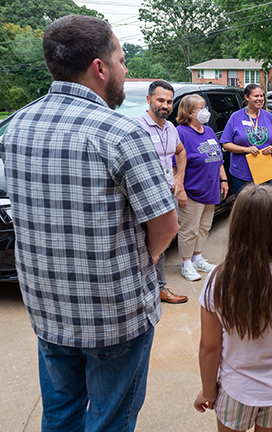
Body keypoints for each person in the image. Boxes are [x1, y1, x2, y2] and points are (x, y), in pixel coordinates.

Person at [0, 15, 178, 431]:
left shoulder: (16, 126)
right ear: (100, 68)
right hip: (115, 314)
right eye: (120, 58)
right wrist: (144, 262)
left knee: (60, 413)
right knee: (110, 419)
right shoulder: (120, 133)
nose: (126, 68)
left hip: (48, 308)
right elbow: (166, 226)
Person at [194, 185, 272, 432]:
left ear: (236, 226)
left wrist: (208, 390)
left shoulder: (218, 279)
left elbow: (209, 346)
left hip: (235, 389)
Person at [135, 80, 189, 303]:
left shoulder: (170, 128)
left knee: (164, 242)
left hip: (168, 194)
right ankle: (147, 291)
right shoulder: (137, 127)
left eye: (169, 101)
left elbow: (181, 151)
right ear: (149, 100)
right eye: (160, 100)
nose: (165, 105)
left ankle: (158, 289)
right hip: (147, 196)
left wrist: (179, 179)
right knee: (147, 244)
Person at [175, 95, 229, 282]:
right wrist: (179, 188)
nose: (205, 110)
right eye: (200, 107)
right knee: (189, 229)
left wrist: (224, 179)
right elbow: (176, 164)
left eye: (205, 106)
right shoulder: (180, 133)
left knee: (205, 227)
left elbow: (218, 158)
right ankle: (186, 263)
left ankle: (197, 258)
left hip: (211, 188)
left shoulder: (209, 131)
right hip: (192, 189)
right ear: (189, 112)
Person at [221, 84, 272, 196]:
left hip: (265, 171)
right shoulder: (236, 117)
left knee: (264, 205)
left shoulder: (269, 116)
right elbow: (226, 144)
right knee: (244, 208)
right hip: (242, 173)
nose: (260, 99)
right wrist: (246, 149)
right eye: (256, 96)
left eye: (261, 96)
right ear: (247, 97)